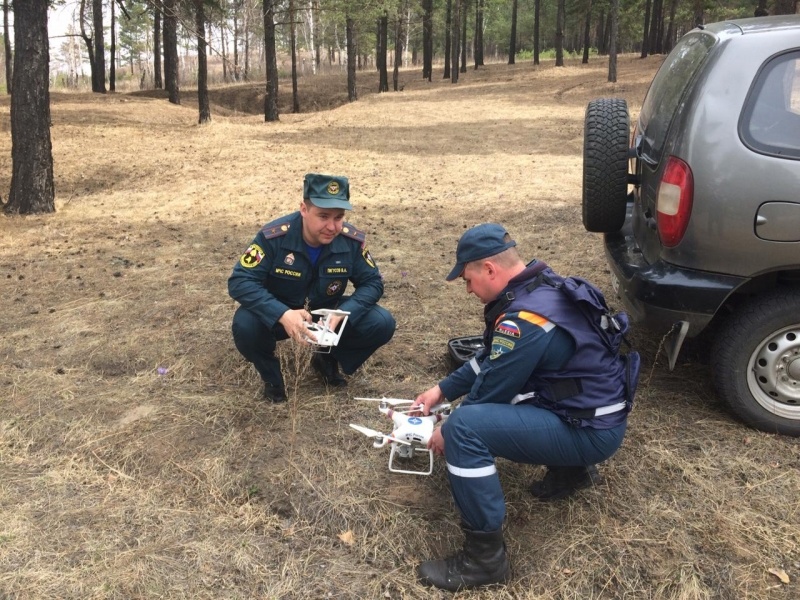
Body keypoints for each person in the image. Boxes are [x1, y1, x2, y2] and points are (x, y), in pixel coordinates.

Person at [412, 223, 636, 591]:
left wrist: (447, 428)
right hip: (593, 414)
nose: (468, 289)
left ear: (489, 269)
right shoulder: (541, 286)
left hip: (592, 430)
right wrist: (441, 390)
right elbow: (493, 357)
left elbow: (492, 390)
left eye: (468, 279)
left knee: (465, 428)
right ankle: (572, 472)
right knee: (500, 403)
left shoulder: (523, 318)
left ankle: (484, 560)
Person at [228, 173, 396, 402]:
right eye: (323, 216)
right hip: (279, 313)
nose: (332, 226)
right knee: (246, 325)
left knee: (381, 322)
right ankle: (272, 378)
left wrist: (343, 313)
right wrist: (282, 314)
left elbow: (373, 282)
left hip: (324, 313)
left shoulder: (350, 241)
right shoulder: (273, 237)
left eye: (339, 217)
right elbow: (240, 281)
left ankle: (326, 359)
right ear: (304, 210)